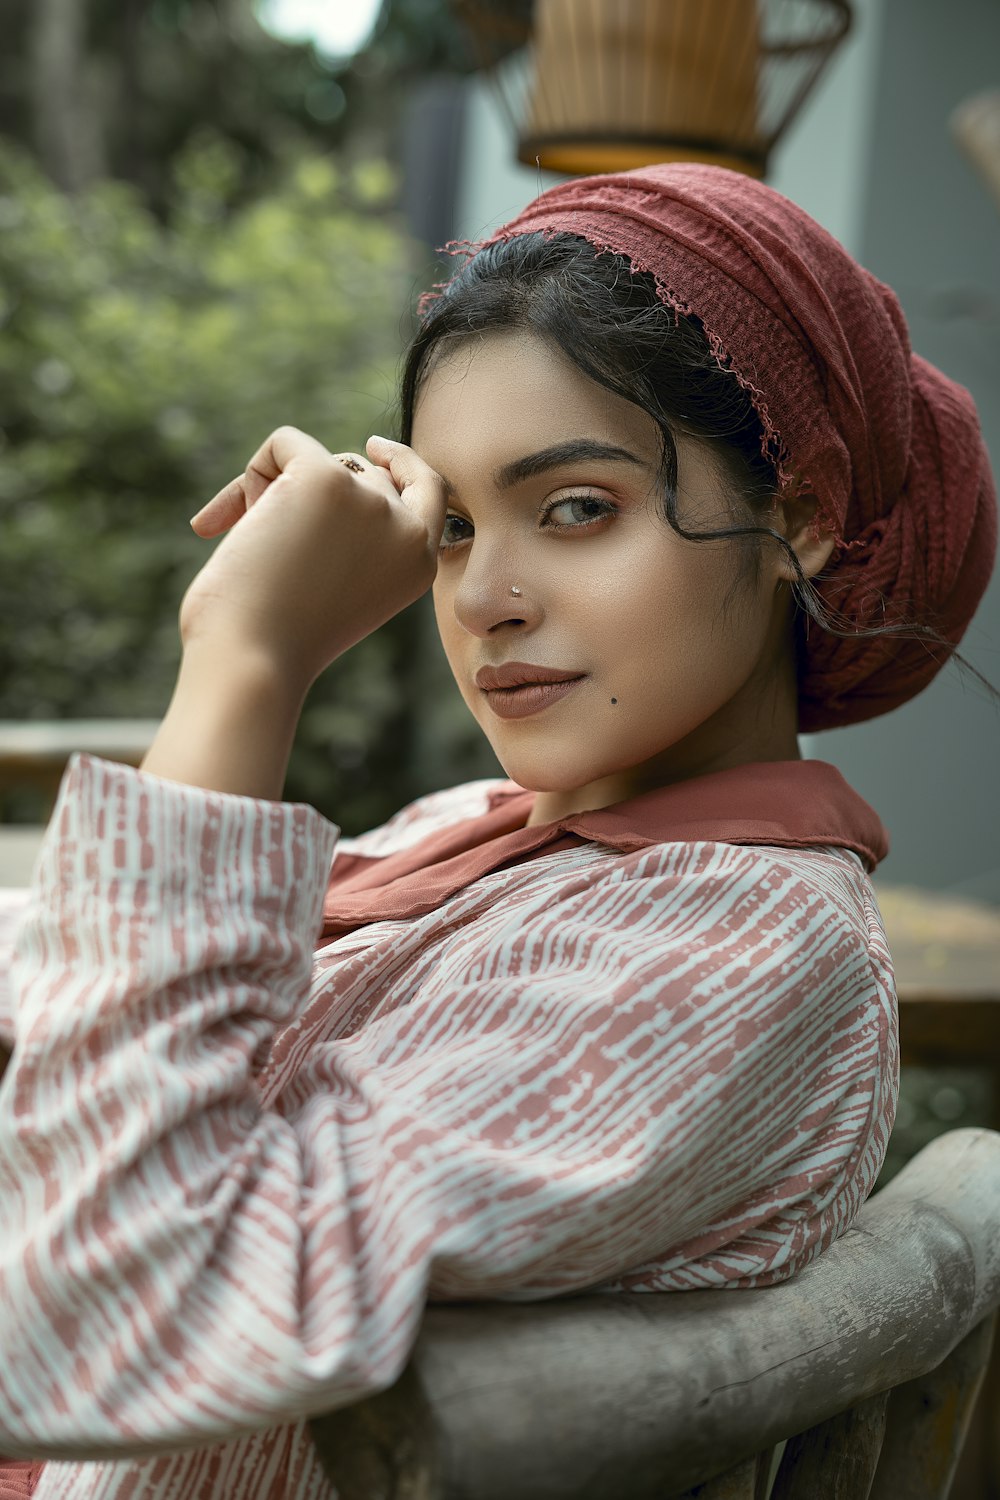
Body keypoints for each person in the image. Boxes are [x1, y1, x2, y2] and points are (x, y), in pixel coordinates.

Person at [0, 162, 995, 1500]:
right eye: (453, 527)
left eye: (577, 508)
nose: (483, 598)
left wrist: (245, 663)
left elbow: (94, 1320)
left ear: (799, 520)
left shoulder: (737, 949)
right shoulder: (483, 836)